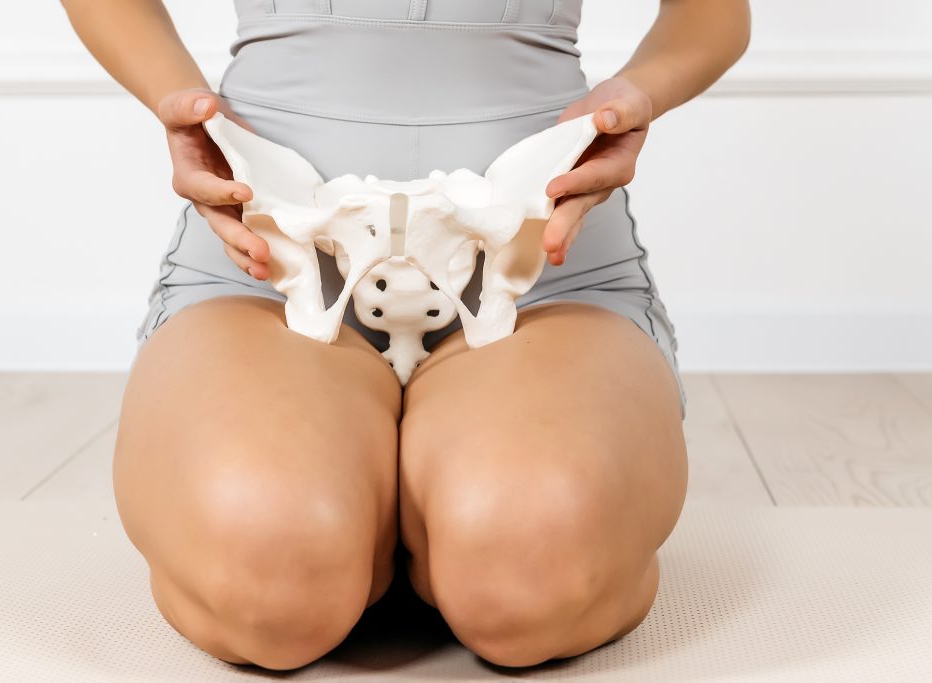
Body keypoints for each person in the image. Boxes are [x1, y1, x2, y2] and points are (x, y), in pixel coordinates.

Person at [61, 0, 750, 671]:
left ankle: (409, 517)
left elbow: (713, 14)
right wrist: (178, 99)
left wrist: (636, 95)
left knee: (528, 575)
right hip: (269, 260)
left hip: (539, 266)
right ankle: (377, 516)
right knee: (266, 582)